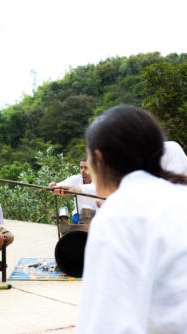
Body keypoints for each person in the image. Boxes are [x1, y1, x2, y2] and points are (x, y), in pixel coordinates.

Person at [52, 106, 187, 333]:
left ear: (99, 158)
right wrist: (74, 187)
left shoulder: (118, 215)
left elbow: (103, 324)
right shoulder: (177, 195)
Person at [49, 158, 100, 222]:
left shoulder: (99, 182)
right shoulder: (75, 179)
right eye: (81, 168)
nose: (83, 170)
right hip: (79, 214)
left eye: (86, 167)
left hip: (96, 215)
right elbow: (58, 186)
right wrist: (52, 186)